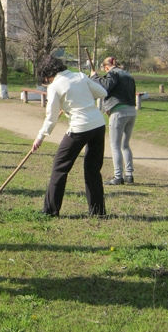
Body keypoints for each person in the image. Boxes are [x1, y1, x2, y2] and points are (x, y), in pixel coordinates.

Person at [32, 55, 108, 217]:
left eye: (46, 78)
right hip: (98, 125)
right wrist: (83, 90)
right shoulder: (79, 76)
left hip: (80, 128)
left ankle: (50, 210)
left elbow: (51, 118)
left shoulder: (54, 87)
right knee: (93, 169)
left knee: (60, 166)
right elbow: (102, 92)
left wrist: (40, 137)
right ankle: (98, 211)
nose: (47, 81)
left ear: (48, 75)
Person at [90, 57, 137, 185]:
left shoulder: (113, 73)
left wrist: (94, 77)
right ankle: (129, 175)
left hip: (119, 112)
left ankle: (118, 177)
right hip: (132, 111)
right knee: (125, 145)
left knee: (115, 145)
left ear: (106, 67)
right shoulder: (128, 74)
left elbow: (106, 86)